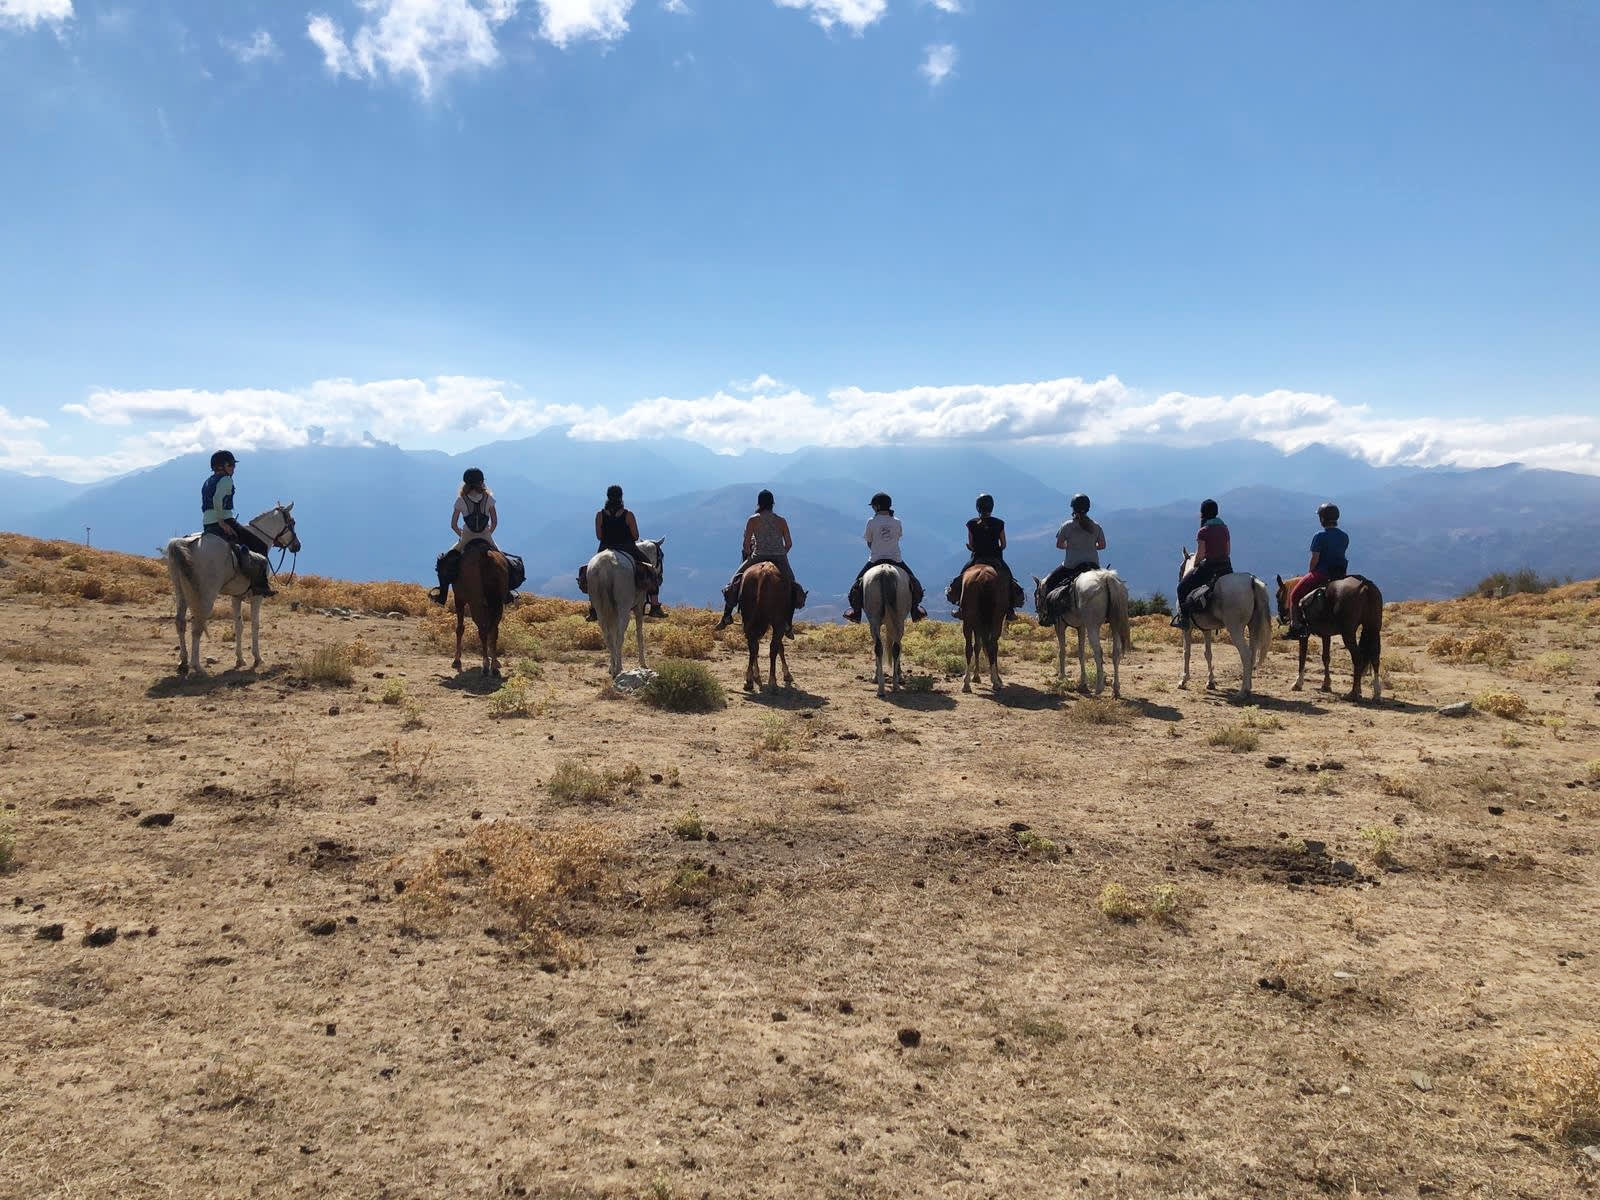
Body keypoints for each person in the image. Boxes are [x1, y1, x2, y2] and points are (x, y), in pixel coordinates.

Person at [716, 489, 805, 636]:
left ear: (759, 503)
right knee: (793, 586)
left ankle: (726, 616)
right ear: (772, 504)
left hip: (757, 556)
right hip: (780, 558)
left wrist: (749, 553)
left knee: (734, 581)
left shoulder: (752, 520)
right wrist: (781, 553)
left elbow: (746, 544)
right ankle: (788, 625)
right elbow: (789, 543)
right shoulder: (781, 521)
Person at [431, 468, 523, 605]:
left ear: (465, 483)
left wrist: (462, 536)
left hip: (467, 536)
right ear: (481, 482)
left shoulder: (460, 500)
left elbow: (453, 524)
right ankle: (508, 592)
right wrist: (486, 534)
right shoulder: (489, 499)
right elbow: (495, 522)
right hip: (486, 535)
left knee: (444, 562)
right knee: (504, 562)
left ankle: (441, 596)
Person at [843, 492, 927, 623]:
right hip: (896, 560)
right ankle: (915, 610)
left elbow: (869, 541)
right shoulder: (897, 521)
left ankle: (856, 612)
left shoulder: (871, 522)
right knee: (915, 584)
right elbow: (898, 537)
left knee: (855, 587)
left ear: (876, 507)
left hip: (875, 559)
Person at [582, 484, 661, 621]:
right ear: (621, 497)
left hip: (605, 548)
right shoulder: (628, 514)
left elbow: (599, 536)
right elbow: (636, 536)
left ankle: (593, 608)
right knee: (650, 570)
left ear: (607, 497)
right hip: (627, 547)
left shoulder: (600, 515)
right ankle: (654, 606)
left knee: (590, 570)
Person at [201, 449, 274, 596]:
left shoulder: (208, 481)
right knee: (259, 545)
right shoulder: (226, 479)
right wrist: (222, 522)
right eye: (232, 465)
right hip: (224, 519)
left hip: (207, 523)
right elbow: (217, 499)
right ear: (223, 466)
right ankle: (259, 585)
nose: (234, 468)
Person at [945, 493, 1025, 617]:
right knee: (1009, 579)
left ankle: (960, 607)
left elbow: (971, 545)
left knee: (961, 577)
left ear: (978, 508)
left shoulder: (971, 524)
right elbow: (1003, 544)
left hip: (977, 558)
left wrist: (972, 547)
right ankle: (1010, 609)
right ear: (992, 507)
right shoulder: (999, 523)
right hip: (996, 559)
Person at [1283, 502, 1349, 638]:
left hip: (1322, 573)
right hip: (1340, 574)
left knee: (1294, 596)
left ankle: (1295, 627)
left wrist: (1310, 573)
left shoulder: (1319, 536)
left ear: (1322, 519)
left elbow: (1315, 558)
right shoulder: (1344, 536)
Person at [1038, 493, 1106, 620]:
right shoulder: (1097, 526)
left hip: (1071, 566)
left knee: (1048, 583)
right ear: (1088, 508)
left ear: (1073, 509)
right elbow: (1102, 545)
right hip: (1093, 565)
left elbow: (1059, 545)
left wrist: (1070, 546)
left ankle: (1048, 615)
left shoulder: (1067, 526)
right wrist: (1090, 546)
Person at [1172, 498, 1234, 628]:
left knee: (1181, 588)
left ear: (1203, 513)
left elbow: (1200, 554)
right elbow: (1228, 551)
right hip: (1226, 567)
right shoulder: (1225, 528)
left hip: (1209, 568)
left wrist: (1195, 564)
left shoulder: (1203, 531)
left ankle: (1183, 620)